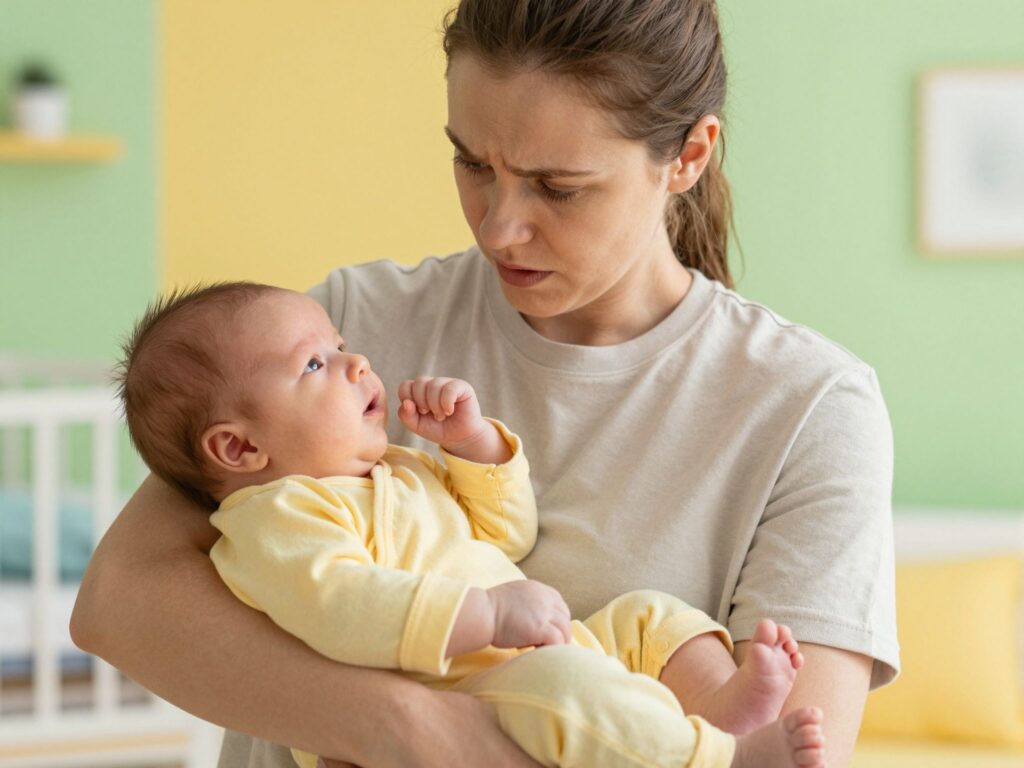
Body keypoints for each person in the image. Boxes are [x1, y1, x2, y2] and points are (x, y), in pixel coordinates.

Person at [71, 2, 898, 767]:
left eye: (557, 187)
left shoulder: (810, 408)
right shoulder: (332, 331)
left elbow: (787, 747)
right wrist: (411, 725)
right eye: (471, 162)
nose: (499, 226)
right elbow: (121, 603)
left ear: (687, 155)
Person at [115, 281, 823, 768]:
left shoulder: (394, 469)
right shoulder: (276, 519)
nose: (356, 362)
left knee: (650, 620)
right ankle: (720, 761)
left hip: (530, 650)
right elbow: (340, 608)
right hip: (461, 691)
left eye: (340, 344)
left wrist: (473, 446)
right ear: (239, 448)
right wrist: (483, 614)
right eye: (314, 363)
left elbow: (503, 537)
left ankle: (724, 709)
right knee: (569, 694)